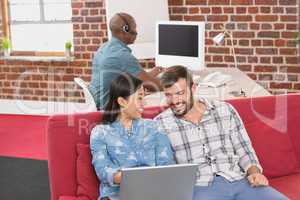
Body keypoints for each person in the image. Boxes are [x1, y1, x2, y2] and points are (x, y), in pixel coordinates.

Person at [154, 66, 288, 200]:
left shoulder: (224, 110)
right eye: (168, 95)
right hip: (200, 188)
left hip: (239, 180)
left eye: (180, 93)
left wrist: (254, 172)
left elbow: (244, 149)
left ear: (193, 88)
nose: (174, 101)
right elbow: (165, 170)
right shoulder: (161, 124)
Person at [90, 73, 175, 200]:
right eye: (139, 98)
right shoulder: (100, 132)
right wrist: (134, 177)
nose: (144, 103)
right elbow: (104, 172)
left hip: (152, 194)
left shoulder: (154, 127)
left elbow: (167, 164)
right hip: (116, 196)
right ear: (122, 101)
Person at [89, 12, 163, 109]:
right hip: (110, 108)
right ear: (125, 30)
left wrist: (153, 73)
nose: (136, 32)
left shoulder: (105, 47)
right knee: (163, 99)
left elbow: (139, 79)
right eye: (134, 27)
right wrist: (176, 80)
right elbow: (152, 85)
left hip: (100, 102)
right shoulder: (122, 55)